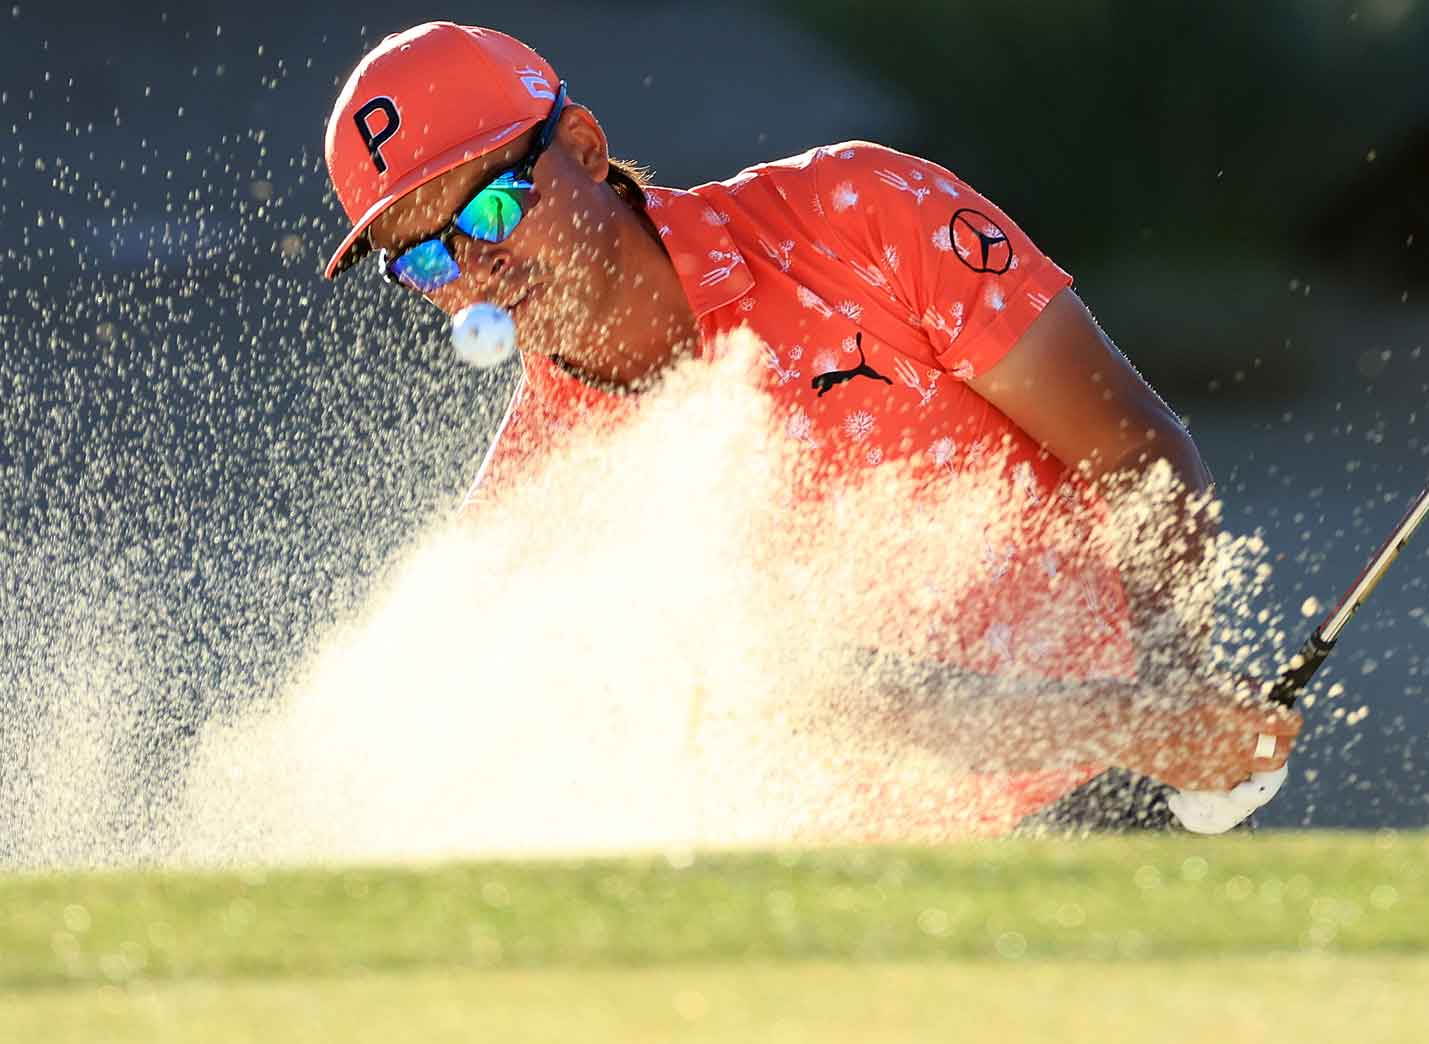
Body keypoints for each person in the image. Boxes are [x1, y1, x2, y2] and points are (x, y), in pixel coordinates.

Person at [319, 21, 1301, 835]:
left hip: (1125, 801)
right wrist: (1124, 723)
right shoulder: (537, 505)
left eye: (492, 207)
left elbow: (1131, 447)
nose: (474, 267)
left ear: (579, 150)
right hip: (877, 913)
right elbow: (803, 704)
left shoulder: (859, 213)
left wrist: (1176, 709)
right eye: (426, 262)